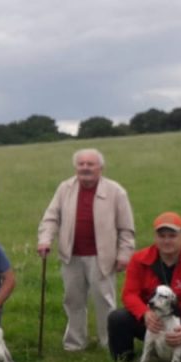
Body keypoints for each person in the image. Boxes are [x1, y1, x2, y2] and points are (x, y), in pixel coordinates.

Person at [37, 149, 136, 351]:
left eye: (90, 164)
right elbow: (51, 218)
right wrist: (45, 239)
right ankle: (75, 343)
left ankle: (109, 343)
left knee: (104, 301)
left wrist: (124, 254)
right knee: (73, 300)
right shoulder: (65, 188)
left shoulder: (116, 191)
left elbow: (126, 228)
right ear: (76, 168)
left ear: (101, 168)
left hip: (103, 257)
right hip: (71, 255)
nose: (85, 168)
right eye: (81, 164)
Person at [107, 212, 181, 362]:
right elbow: (129, 294)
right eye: (162, 236)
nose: (166, 241)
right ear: (155, 238)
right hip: (153, 320)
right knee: (117, 318)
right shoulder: (139, 260)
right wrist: (144, 314)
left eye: (172, 236)